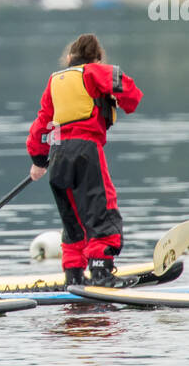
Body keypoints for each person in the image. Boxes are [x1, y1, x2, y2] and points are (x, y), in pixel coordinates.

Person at [26, 33, 143, 287]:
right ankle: (101, 273)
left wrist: (38, 160)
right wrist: (119, 100)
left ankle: (74, 276)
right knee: (102, 211)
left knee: (73, 220)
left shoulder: (54, 81)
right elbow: (131, 95)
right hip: (86, 151)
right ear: (97, 58)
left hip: (57, 157)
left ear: (69, 58)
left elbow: (41, 123)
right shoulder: (93, 72)